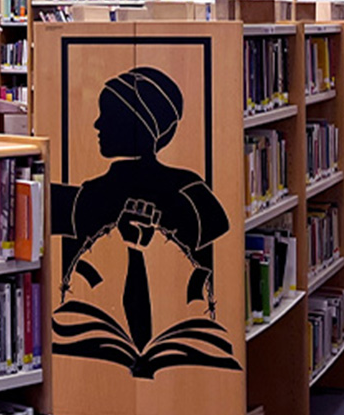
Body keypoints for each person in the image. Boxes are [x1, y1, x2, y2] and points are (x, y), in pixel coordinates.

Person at [52, 67, 239, 377]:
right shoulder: (191, 192)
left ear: (136, 122)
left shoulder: (89, 196)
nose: (98, 124)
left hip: (106, 348)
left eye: (107, 114)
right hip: (174, 351)